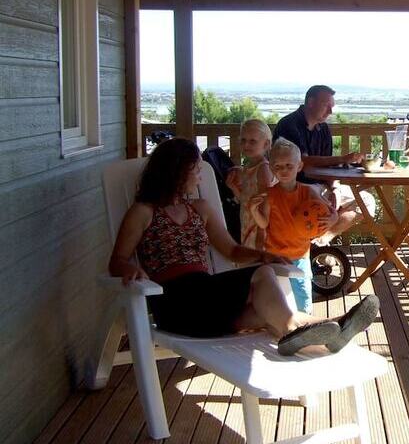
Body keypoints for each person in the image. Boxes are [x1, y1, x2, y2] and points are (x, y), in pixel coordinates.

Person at [108, 137, 379, 356]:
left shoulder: (200, 209)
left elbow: (232, 250)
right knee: (263, 278)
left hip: (208, 304)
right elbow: (117, 261)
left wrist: (265, 255)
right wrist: (130, 270)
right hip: (174, 303)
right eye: (196, 170)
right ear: (177, 172)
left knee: (267, 313)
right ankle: (326, 327)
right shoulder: (143, 212)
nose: (200, 177)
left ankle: (335, 327)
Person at [272, 85, 376, 244]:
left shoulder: (323, 129)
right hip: (295, 187)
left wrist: (334, 188)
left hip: (322, 187)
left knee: (367, 202)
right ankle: (312, 244)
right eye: (326, 105)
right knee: (325, 207)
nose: (330, 111)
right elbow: (303, 162)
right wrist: (342, 159)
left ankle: (320, 242)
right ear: (310, 102)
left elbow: (328, 167)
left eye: (332, 107)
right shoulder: (289, 125)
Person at [250, 138, 337, 314]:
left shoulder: (308, 192)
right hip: (275, 256)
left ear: (299, 166)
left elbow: (331, 211)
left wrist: (332, 220)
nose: (284, 170)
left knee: (302, 299)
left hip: (300, 256)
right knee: (279, 300)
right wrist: (254, 210)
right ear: (272, 168)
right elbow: (264, 223)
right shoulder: (270, 195)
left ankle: (306, 323)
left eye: (289, 166)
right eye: (278, 166)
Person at [226, 119, 275, 250]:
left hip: (257, 227)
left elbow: (266, 204)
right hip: (248, 223)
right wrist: (234, 188)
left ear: (266, 144)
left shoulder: (263, 169)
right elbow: (246, 199)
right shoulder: (248, 167)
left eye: (252, 141)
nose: (246, 145)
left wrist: (261, 234)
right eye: (243, 140)